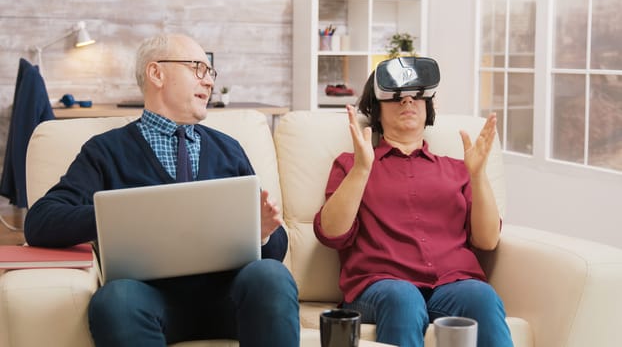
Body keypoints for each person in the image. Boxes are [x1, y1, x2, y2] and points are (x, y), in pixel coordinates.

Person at [24, 33, 300, 347]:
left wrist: (262, 232)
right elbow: (41, 222)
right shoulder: (104, 151)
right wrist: (122, 216)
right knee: (116, 297)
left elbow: (275, 252)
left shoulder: (228, 149)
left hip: (230, 300)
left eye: (210, 73)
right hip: (150, 302)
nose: (208, 82)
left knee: (271, 277)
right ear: (156, 73)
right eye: (198, 68)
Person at [313, 57, 513, 347]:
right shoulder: (352, 165)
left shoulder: (459, 168)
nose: (408, 101)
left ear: (428, 106)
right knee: (403, 297)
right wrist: (362, 169)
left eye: (417, 96)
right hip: (381, 287)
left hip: (452, 285)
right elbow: (331, 233)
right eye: (396, 97)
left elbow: (487, 240)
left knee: (481, 296)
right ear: (376, 110)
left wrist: (478, 175)